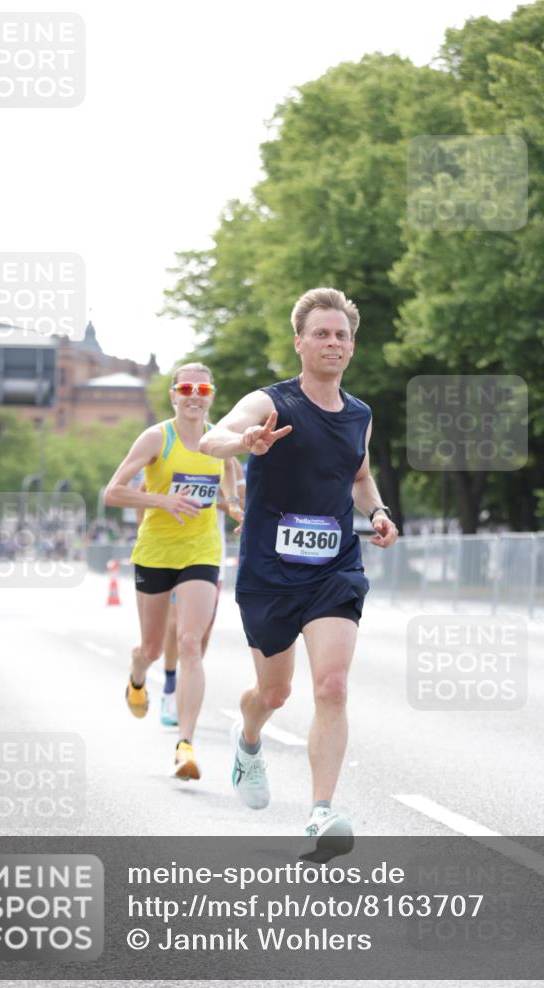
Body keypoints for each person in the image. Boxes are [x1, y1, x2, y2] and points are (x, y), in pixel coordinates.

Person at [199, 288, 398, 849]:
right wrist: (245, 441)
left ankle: (319, 814)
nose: (332, 342)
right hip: (268, 571)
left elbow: (359, 477)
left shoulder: (360, 414)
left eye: (341, 334)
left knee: (332, 685)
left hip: (334, 568)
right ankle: (249, 738)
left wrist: (378, 511)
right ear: (300, 342)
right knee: (275, 693)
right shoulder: (272, 403)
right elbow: (216, 437)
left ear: (352, 346)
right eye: (321, 333)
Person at [105, 362, 242, 780]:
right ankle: (138, 671)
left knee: (189, 642)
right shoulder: (156, 438)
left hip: (201, 551)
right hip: (156, 552)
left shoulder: (219, 441)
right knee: (151, 647)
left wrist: (236, 506)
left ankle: (185, 745)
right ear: (174, 395)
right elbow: (113, 492)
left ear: (211, 395)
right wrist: (162, 500)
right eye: (186, 388)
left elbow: (231, 478)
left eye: (202, 389)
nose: (194, 395)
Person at [159, 459, 246, 726]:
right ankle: (171, 688)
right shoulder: (171, 453)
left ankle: (186, 682)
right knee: (177, 626)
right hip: (173, 550)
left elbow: (239, 502)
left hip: (209, 554)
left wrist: (212, 500)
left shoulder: (226, 461)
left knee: (202, 630)